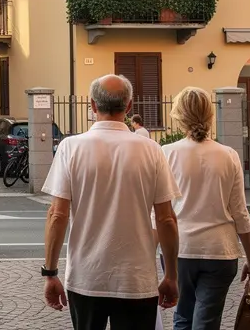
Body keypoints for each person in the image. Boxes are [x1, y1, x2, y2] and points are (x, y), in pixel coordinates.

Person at [42, 74, 181, 330]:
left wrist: (50, 273)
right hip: (136, 279)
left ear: (93, 106)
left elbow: (57, 215)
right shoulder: (151, 150)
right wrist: (171, 275)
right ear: (129, 107)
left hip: (86, 277)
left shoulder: (70, 147)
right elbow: (166, 218)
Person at [163, 87, 250, 330]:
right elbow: (240, 212)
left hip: (179, 249)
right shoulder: (229, 155)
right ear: (210, 115)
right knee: (206, 320)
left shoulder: (166, 154)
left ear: (179, 116)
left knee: (183, 316)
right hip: (220, 251)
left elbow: (158, 213)